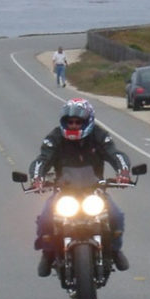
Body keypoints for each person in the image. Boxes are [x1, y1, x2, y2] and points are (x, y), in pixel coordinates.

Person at [28, 98, 132, 277]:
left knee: (116, 215)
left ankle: (114, 251)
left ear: (88, 121)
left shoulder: (99, 136)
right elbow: (41, 160)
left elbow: (115, 154)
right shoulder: (54, 138)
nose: (74, 125)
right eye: (70, 122)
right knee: (45, 217)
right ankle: (48, 253)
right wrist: (37, 178)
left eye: (78, 122)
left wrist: (123, 172)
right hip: (64, 192)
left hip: (94, 192)